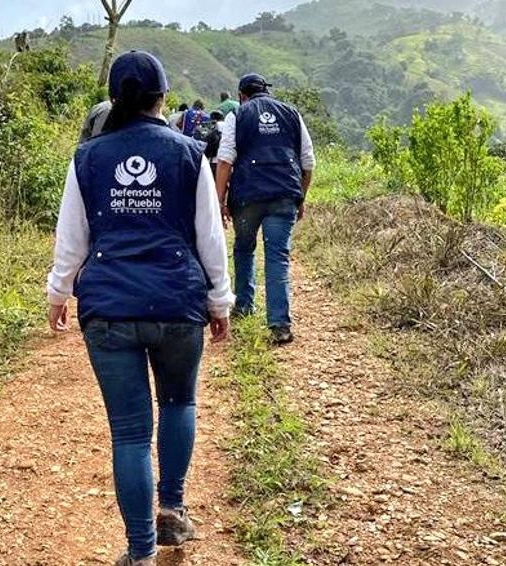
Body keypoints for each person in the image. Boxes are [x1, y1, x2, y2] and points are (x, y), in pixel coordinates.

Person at [46, 50, 234, 566]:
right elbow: (209, 235)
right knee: (178, 403)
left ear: (113, 99)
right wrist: (220, 300)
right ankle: (172, 508)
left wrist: (58, 294)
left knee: (130, 432)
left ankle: (140, 553)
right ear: (163, 99)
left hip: (109, 310)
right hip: (177, 303)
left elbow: (72, 238)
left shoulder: (87, 157)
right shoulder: (188, 153)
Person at [215, 73, 315, 345]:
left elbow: (225, 160)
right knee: (277, 257)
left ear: (241, 95)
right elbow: (308, 162)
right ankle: (280, 325)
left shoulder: (238, 115)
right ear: (266, 92)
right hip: (284, 195)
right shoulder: (292, 113)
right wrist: (300, 198)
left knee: (244, 248)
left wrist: (219, 201)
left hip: (247, 198)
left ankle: (244, 305)